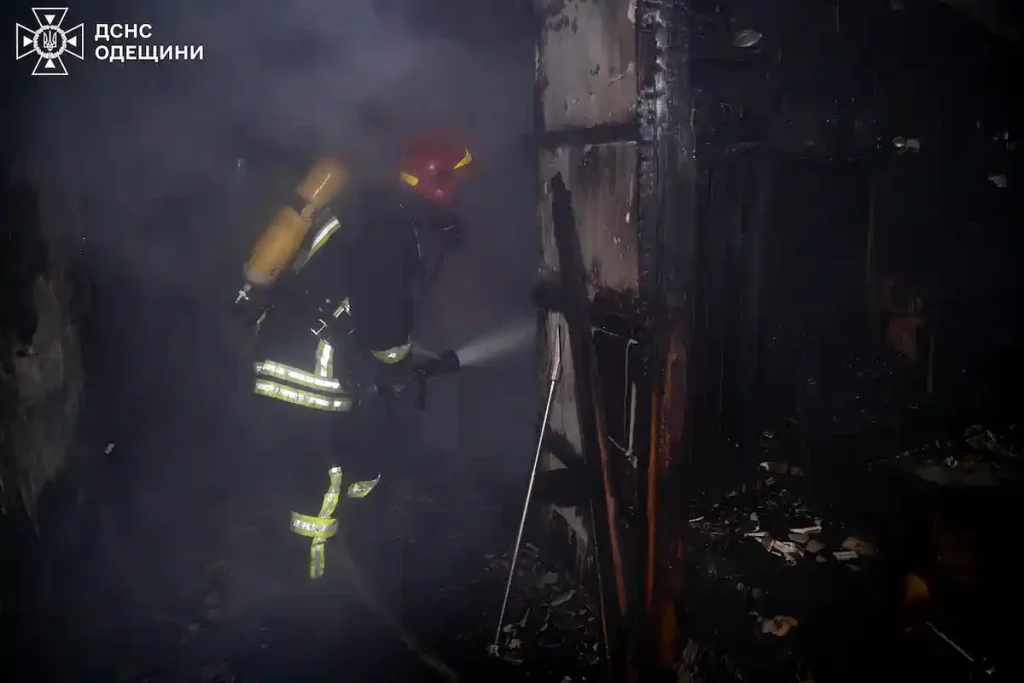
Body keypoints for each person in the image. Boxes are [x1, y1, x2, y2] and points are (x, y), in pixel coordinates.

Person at [239, 131, 474, 580]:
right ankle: (313, 589)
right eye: (456, 184)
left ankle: (315, 565)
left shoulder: (365, 211)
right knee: (323, 485)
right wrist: (398, 366)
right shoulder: (391, 229)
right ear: (438, 183)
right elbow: (383, 318)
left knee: (327, 468)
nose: (460, 195)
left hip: (282, 353)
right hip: (311, 371)